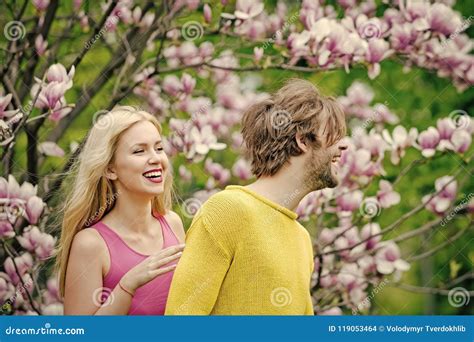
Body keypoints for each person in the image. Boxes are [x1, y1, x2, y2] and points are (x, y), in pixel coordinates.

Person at [165, 79, 347, 315]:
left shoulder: (301, 239)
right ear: (302, 141)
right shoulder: (226, 211)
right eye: (335, 135)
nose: (344, 146)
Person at [56, 106, 185, 315]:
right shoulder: (90, 244)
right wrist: (128, 285)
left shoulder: (173, 223)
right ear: (110, 169)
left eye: (159, 148)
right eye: (139, 151)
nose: (155, 159)